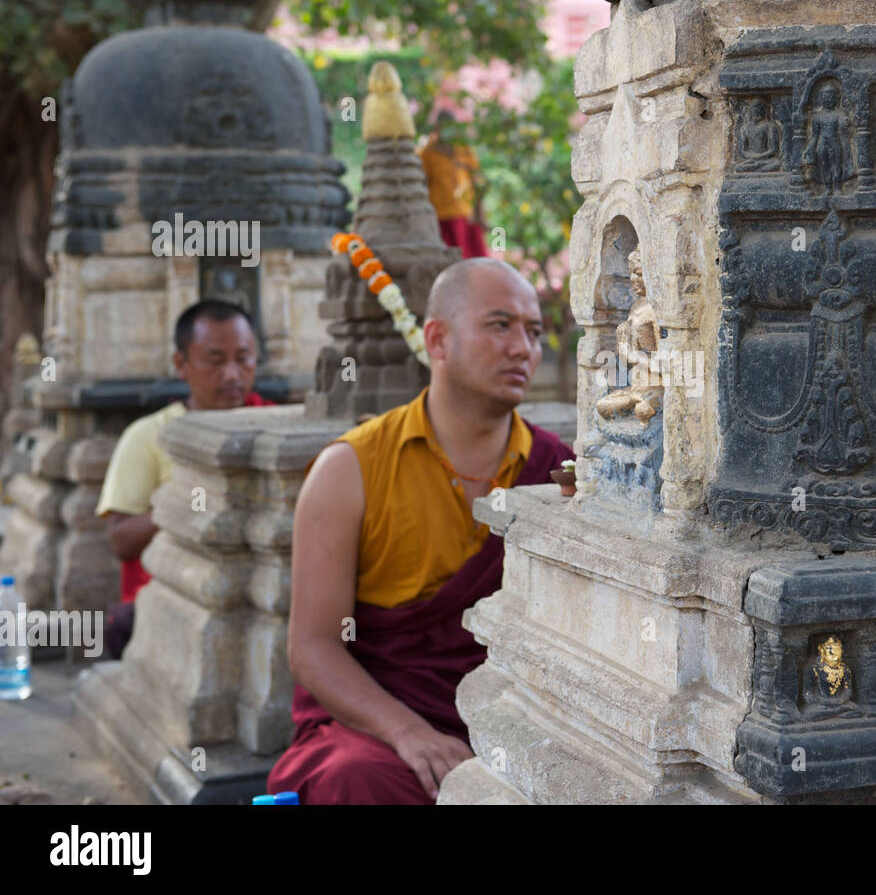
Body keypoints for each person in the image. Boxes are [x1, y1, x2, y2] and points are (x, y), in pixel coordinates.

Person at [267, 258, 574, 804]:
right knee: (353, 778)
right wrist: (407, 732)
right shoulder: (350, 469)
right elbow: (313, 647)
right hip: (382, 721)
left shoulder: (559, 471)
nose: (523, 348)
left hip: (511, 717)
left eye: (533, 331)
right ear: (437, 339)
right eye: (500, 325)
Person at [96, 300, 274, 659]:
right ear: (181, 364)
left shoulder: (276, 427)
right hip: (173, 595)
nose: (231, 374)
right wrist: (191, 499)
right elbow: (121, 540)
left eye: (243, 358)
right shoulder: (149, 435)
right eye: (214, 360)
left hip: (261, 591)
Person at [418, 110, 489, 258]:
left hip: (466, 215)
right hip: (441, 218)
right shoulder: (427, 154)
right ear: (436, 128)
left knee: (474, 261)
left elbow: (476, 182)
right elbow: (421, 186)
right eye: (442, 127)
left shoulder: (464, 151)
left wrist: (480, 214)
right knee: (450, 261)